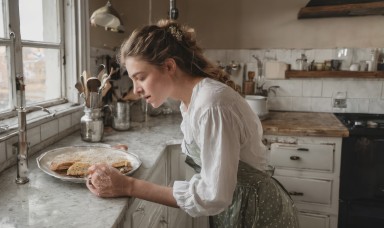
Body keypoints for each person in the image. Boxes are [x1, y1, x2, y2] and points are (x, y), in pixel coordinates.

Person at [86, 19, 299, 228]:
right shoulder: (190, 102)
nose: (136, 89)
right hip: (237, 208)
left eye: (140, 77)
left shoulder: (212, 104)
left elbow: (212, 196)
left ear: (169, 66)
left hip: (260, 212)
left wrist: (128, 186)